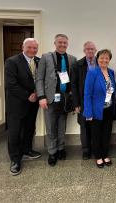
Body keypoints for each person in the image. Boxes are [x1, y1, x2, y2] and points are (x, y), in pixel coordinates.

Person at [36, 34, 77, 166]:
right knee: (50, 127)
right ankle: (52, 152)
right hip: (49, 99)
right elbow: (39, 78)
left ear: (67, 44)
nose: (62, 45)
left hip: (65, 99)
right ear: (55, 43)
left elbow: (73, 80)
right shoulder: (46, 57)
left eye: (65, 43)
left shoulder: (72, 59)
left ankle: (61, 148)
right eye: (60, 42)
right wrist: (41, 97)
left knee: (61, 126)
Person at [5, 38, 41, 176]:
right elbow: (11, 84)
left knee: (29, 128)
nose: (32, 50)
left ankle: (27, 150)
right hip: (17, 104)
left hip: (33, 103)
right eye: (29, 47)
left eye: (35, 48)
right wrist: (28, 95)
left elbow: (39, 79)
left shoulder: (38, 61)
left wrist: (38, 93)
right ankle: (15, 159)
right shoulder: (12, 61)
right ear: (23, 47)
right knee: (14, 132)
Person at [83, 49, 116, 168]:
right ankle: (98, 156)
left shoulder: (111, 73)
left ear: (109, 60)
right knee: (96, 134)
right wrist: (88, 112)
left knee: (107, 134)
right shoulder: (92, 73)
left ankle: (105, 154)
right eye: (102, 58)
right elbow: (87, 94)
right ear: (98, 59)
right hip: (96, 110)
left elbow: (113, 91)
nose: (104, 60)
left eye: (107, 58)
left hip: (109, 109)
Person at [71, 41, 97, 160]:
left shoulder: (100, 62)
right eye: (88, 49)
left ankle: (95, 148)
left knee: (95, 125)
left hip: (97, 101)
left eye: (92, 49)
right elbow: (74, 86)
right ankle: (86, 150)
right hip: (83, 101)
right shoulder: (77, 65)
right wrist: (76, 104)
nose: (90, 51)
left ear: (95, 50)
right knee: (84, 126)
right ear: (84, 50)